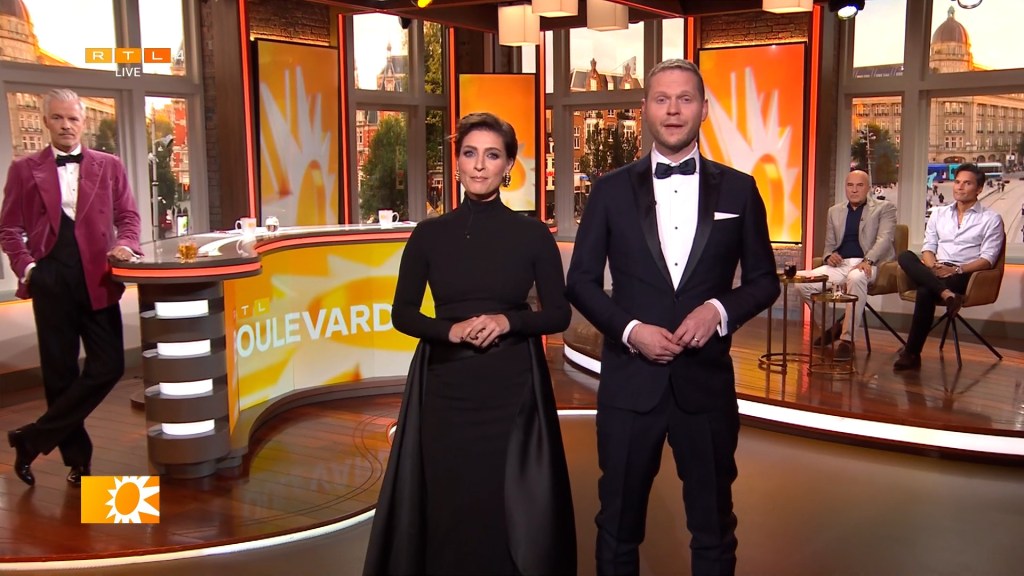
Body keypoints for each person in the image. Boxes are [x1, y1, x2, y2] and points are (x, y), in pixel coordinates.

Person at [565, 59, 780, 576]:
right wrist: (631, 330)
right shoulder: (610, 190)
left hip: (705, 389)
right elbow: (581, 282)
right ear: (645, 109)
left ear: (704, 109)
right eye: (662, 99)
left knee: (713, 529)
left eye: (685, 99)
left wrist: (717, 310)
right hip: (629, 387)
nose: (673, 110)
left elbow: (764, 281)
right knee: (617, 527)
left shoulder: (740, 190)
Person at [363, 112, 576, 576]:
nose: (480, 165)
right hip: (446, 386)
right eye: (470, 153)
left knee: (502, 499)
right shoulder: (429, 235)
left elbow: (559, 315)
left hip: (510, 385)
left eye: (492, 155)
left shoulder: (532, 235)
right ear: (457, 161)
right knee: (449, 497)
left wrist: (507, 321)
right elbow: (403, 313)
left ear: (509, 166)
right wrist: (451, 331)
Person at [1, 88, 141, 487]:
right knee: (59, 374)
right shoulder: (24, 169)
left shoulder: (109, 165)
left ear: (84, 123)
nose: (66, 125)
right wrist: (29, 269)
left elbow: (129, 217)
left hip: (98, 278)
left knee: (109, 366)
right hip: (51, 280)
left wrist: (125, 245)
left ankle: (31, 439)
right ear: (46, 121)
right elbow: (8, 228)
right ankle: (78, 463)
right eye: (58, 118)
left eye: (73, 118)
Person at [893, 163, 1005, 371]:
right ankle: (947, 295)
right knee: (905, 256)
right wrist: (933, 267)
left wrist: (956, 270)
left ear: (979, 189)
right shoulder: (939, 214)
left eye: (967, 183)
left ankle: (911, 353)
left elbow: (988, 259)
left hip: (965, 274)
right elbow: (928, 248)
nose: (960, 187)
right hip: (937, 269)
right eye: (957, 182)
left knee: (925, 290)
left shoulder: (991, 219)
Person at [794, 170, 896, 360]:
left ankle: (847, 340)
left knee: (855, 278)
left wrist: (868, 260)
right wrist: (829, 257)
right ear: (845, 188)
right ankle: (832, 328)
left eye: (859, 185)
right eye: (850, 185)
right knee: (802, 282)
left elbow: (885, 240)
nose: (854, 190)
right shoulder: (834, 211)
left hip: (870, 264)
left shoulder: (884, 208)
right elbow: (829, 245)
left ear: (868, 188)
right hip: (841, 265)